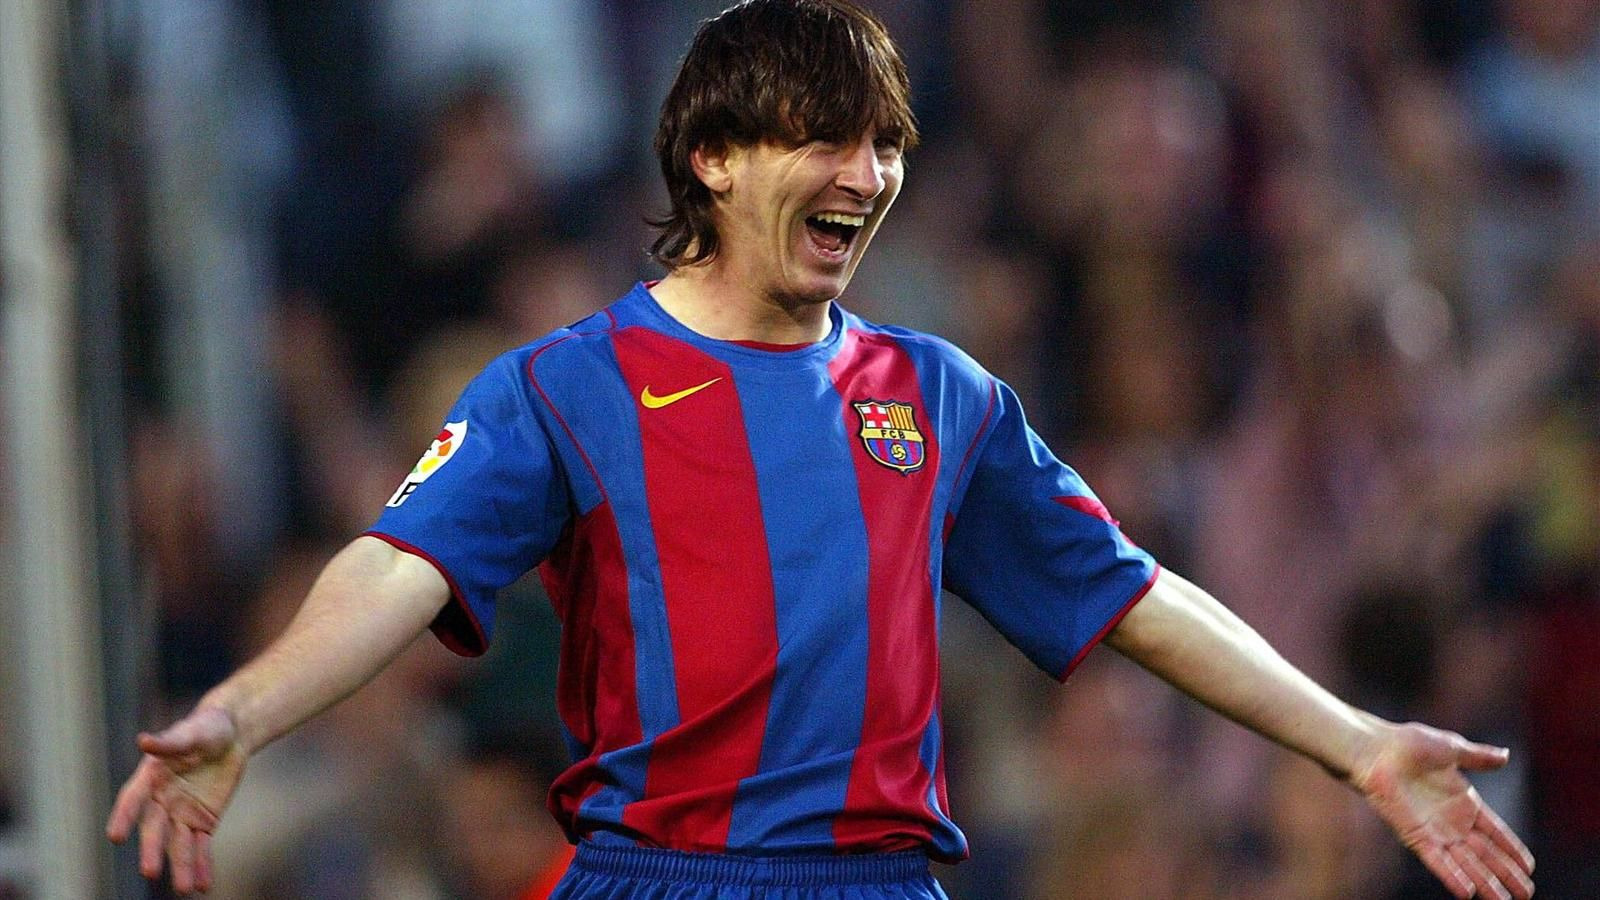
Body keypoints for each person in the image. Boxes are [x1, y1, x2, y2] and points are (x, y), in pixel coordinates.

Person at [108, 2, 1537, 898]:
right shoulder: (567, 388)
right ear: (713, 160)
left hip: (881, 880)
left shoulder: (939, 395)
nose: (866, 177)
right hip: (662, 876)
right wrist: (248, 709)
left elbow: (1136, 597)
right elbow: (395, 564)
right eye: (825, 143)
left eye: (884, 146)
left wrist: (1358, 744)